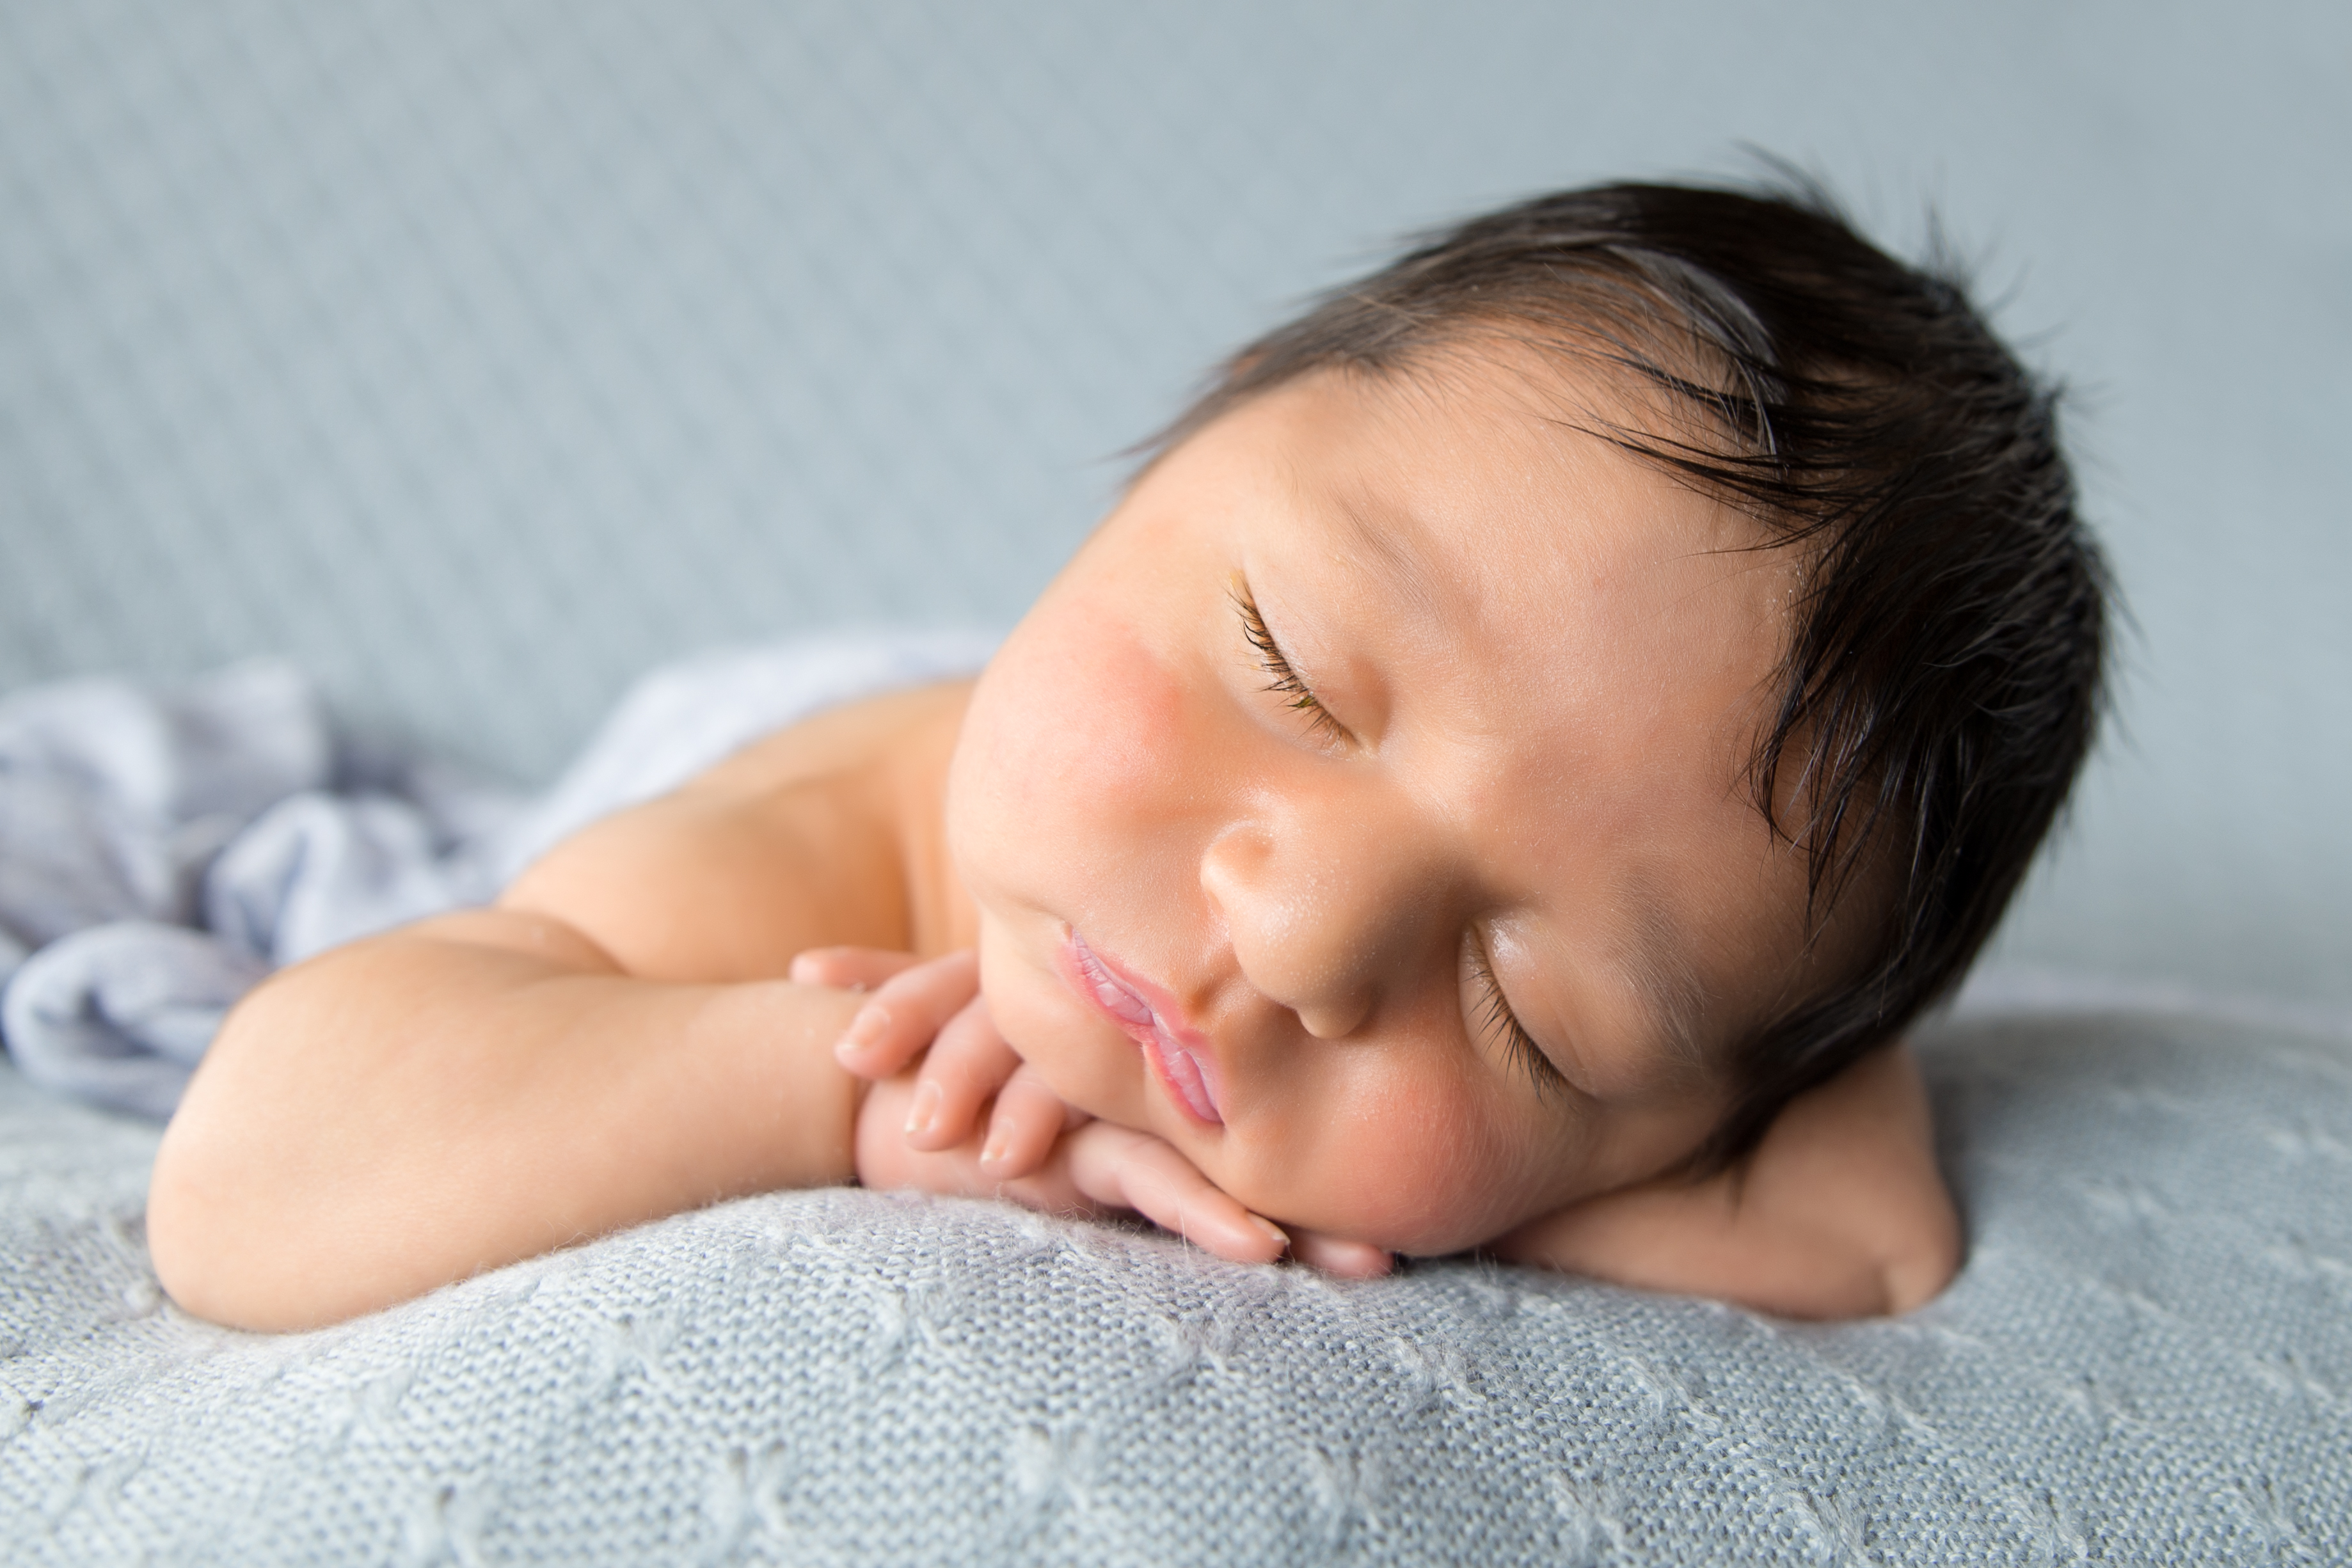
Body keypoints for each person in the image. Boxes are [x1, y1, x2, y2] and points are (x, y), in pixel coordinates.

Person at [145, 179, 2106, 1333]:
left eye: (1536, 1006)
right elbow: (250, 1181)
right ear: (1193, 439)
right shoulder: (771, 861)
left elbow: (1868, 1236)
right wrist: (847, 1095)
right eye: (1293, 673)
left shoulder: (1618, 1093)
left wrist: (1466, 1170)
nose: (1306, 934)